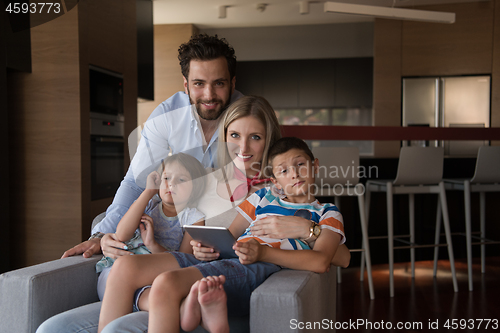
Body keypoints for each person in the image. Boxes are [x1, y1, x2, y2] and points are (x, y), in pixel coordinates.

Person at [99, 136, 346, 333]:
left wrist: (264, 252)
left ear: (315, 165)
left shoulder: (327, 213)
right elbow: (230, 234)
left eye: (300, 165)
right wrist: (204, 245)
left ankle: (197, 307)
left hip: (258, 264)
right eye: (284, 170)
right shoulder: (263, 197)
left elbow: (322, 261)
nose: (294, 174)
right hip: (229, 256)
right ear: (275, 181)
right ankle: (195, 308)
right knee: (124, 268)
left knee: (166, 283)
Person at [61, 33, 241, 261]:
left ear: (232, 84)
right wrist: (101, 234)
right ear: (186, 85)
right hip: (174, 228)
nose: (209, 95)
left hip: (223, 223)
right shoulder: (167, 115)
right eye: (198, 84)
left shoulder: (247, 116)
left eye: (219, 83)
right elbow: (136, 182)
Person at [95, 153, 207, 300]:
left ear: (196, 187)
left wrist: (152, 245)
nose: (171, 183)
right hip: (119, 270)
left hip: (156, 273)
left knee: (155, 293)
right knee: (114, 282)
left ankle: (179, 308)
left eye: (181, 180)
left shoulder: (193, 218)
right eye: (166, 178)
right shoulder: (149, 204)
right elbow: (121, 235)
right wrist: (148, 192)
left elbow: (184, 262)